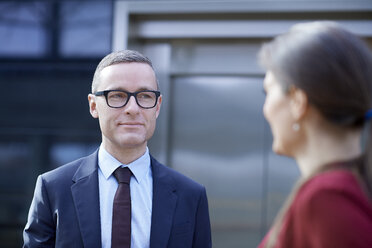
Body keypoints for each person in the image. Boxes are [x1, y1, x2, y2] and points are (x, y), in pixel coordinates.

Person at [23, 50, 212, 248]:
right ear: (94, 106)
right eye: (118, 95)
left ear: (157, 106)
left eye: (145, 96)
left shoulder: (190, 195)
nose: (133, 108)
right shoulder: (53, 188)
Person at [258, 21, 372, 247]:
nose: (265, 108)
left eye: (268, 91)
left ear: (298, 101)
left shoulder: (326, 200)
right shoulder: (346, 189)